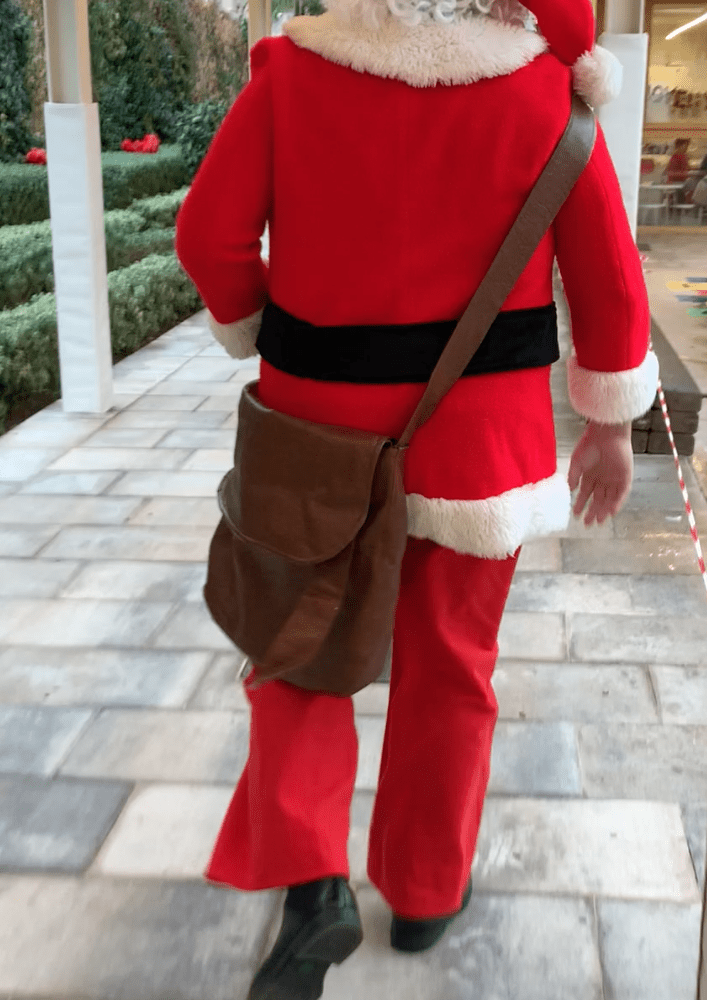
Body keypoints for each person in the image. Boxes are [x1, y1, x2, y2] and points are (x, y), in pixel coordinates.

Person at [174, 0, 659, 996]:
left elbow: (208, 237)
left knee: (296, 645)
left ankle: (313, 883)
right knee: (450, 668)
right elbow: (606, 274)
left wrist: (259, 326)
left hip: (314, 434)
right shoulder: (544, 96)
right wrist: (609, 426)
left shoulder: (291, 77)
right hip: (479, 450)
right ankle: (425, 889)